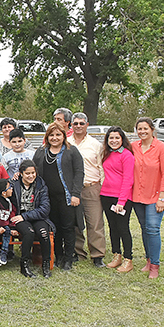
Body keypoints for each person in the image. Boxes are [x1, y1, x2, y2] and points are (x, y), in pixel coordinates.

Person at [33, 122, 84, 270]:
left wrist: (75, 194)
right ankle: (58, 255)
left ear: (63, 136)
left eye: (58, 135)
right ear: (47, 137)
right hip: (48, 198)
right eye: (51, 135)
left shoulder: (71, 151)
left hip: (66, 197)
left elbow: (79, 173)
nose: (54, 138)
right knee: (54, 229)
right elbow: (33, 171)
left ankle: (68, 258)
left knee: (68, 227)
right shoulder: (41, 152)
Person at [131, 117, 164, 279]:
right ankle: (148, 260)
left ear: (152, 130)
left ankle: (155, 265)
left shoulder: (162, 148)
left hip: (155, 196)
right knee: (144, 228)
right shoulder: (134, 147)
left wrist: (162, 196)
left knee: (153, 229)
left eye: (145, 129)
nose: (142, 132)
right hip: (137, 196)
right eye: (139, 129)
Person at [67, 112, 106, 267]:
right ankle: (78, 253)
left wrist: (102, 187)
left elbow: (101, 167)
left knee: (95, 222)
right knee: (75, 223)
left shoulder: (95, 144)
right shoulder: (67, 142)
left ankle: (97, 255)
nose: (78, 126)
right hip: (72, 189)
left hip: (91, 186)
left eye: (81, 123)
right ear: (71, 125)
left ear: (87, 125)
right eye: (75, 123)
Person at [9, 160, 54, 278]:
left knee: (44, 233)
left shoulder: (41, 185)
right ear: (21, 173)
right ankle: (24, 265)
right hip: (20, 217)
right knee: (29, 233)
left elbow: (45, 208)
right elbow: (1, 193)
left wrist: (25, 216)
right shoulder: (14, 184)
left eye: (33, 173)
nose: (31, 176)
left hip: (37, 216)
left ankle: (45, 264)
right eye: (27, 173)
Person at [100, 127, 135, 273]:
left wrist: (121, 201)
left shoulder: (127, 155)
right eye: (111, 138)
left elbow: (128, 179)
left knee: (123, 227)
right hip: (106, 195)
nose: (114, 141)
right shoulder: (107, 154)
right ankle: (117, 255)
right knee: (112, 227)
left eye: (117, 138)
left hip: (122, 197)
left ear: (122, 139)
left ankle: (128, 259)